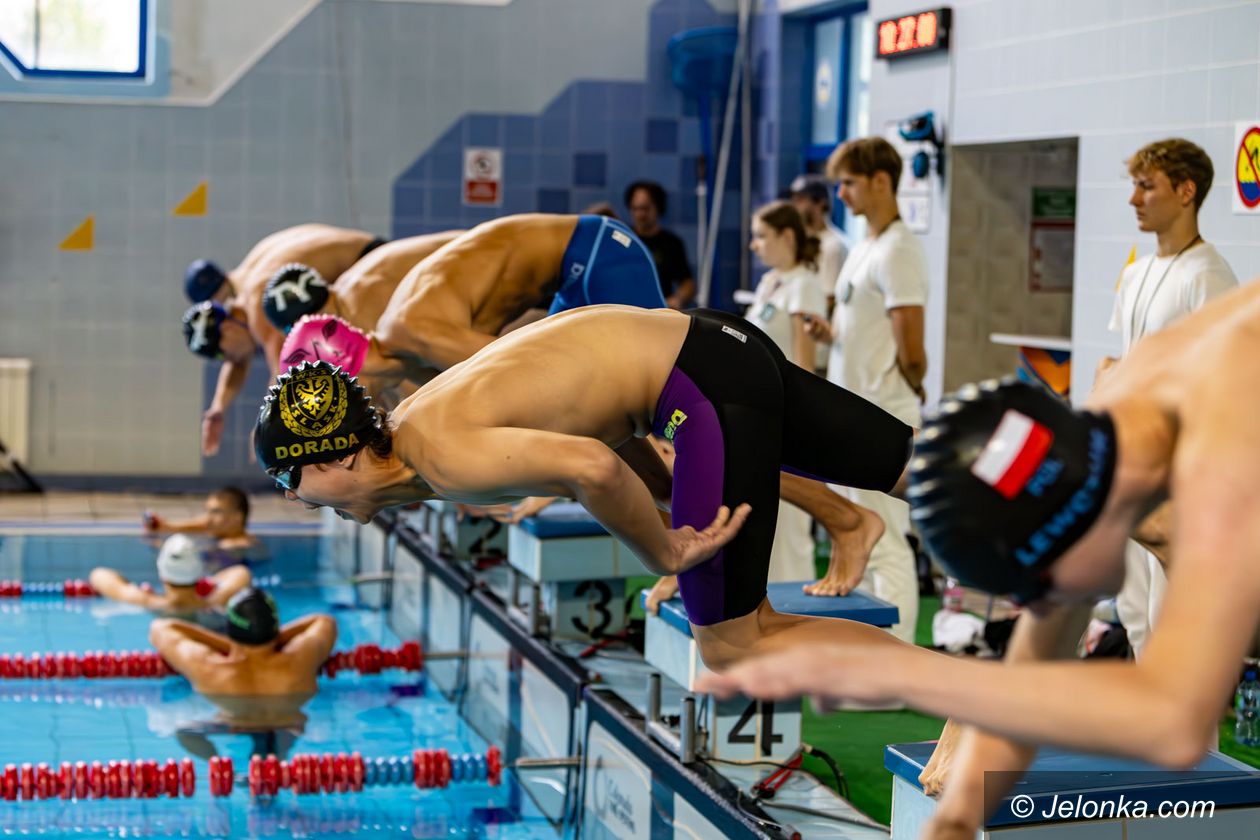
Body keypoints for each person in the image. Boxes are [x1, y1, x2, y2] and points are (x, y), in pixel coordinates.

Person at [699, 278, 1260, 834]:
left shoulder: (1227, 444)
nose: (1043, 601)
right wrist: (961, 811)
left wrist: (934, 685)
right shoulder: (1088, 461)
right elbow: (1037, 661)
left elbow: (1175, 721)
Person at [255, 304, 913, 671]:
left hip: (700, 387)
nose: (290, 495)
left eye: (288, 475)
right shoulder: (415, 430)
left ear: (336, 458)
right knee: (915, 471)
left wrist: (666, 552)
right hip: (713, 345)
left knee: (735, 642)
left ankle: (959, 697)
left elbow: (594, 468)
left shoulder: (446, 458)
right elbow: (586, 425)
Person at [277, 213, 668, 402]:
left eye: (354, 395)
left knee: (657, 388)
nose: (365, 405)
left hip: (594, 253)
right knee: (616, 406)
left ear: (355, 372)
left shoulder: (414, 331)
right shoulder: (407, 351)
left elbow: (529, 369)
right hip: (564, 277)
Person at [1106, 138, 1237, 659]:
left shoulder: (1208, 275)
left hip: (1183, 468)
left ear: (1186, 191)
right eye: (1134, 186)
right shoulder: (1136, 271)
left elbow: (1225, 380)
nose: (1134, 199)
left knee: (1173, 622)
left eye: (1146, 187)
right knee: (1135, 612)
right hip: (1133, 456)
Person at [804, 136, 929, 644]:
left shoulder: (899, 248)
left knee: (887, 537)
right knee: (861, 530)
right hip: (856, 411)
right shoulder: (865, 248)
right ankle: (875, 652)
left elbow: (912, 346)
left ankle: (898, 662)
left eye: (849, 183)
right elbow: (868, 329)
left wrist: (907, 390)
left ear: (882, 181)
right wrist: (830, 337)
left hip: (885, 413)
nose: (841, 194)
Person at [181, 224, 381, 456]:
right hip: (373, 255)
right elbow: (238, 357)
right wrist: (218, 407)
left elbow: (283, 372)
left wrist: (266, 426)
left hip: (369, 267)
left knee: (368, 373)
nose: (228, 359)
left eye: (221, 353)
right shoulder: (250, 275)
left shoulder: (257, 301)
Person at [150, 588, 337, 703]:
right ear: (274, 627)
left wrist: (230, 645)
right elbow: (324, 621)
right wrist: (270, 639)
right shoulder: (301, 659)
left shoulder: (207, 667)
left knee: (186, 733)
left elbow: (161, 628)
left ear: (230, 629)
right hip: (289, 725)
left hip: (230, 724)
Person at [261, 231, 463, 334]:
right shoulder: (349, 288)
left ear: (303, 322)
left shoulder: (360, 310)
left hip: (479, 262)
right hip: (472, 248)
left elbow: (407, 380)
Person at [90, 534, 251, 617]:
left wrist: (142, 595)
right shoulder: (215, 602)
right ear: (198, 574)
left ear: (162, 575)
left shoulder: (148, 602)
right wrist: (209, 588)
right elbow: (241, 573)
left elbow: (98, 575)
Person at [143, 486, 267, 567]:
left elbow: (189, 558)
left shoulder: (234, 546)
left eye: (216, 512)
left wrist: (162, 546)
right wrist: (165, 526)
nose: (208, 518)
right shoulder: (220, 531)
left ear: (237, 517)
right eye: (208, 511)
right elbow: (201, 523)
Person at [623, 181, 695, 309]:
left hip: (659, 312)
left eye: (645, 208)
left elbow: (687, 283)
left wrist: (678, 298)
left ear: (659, 208)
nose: (640, 214)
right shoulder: (623, 239)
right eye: (635, 208)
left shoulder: (671, 243)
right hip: (626, 311)